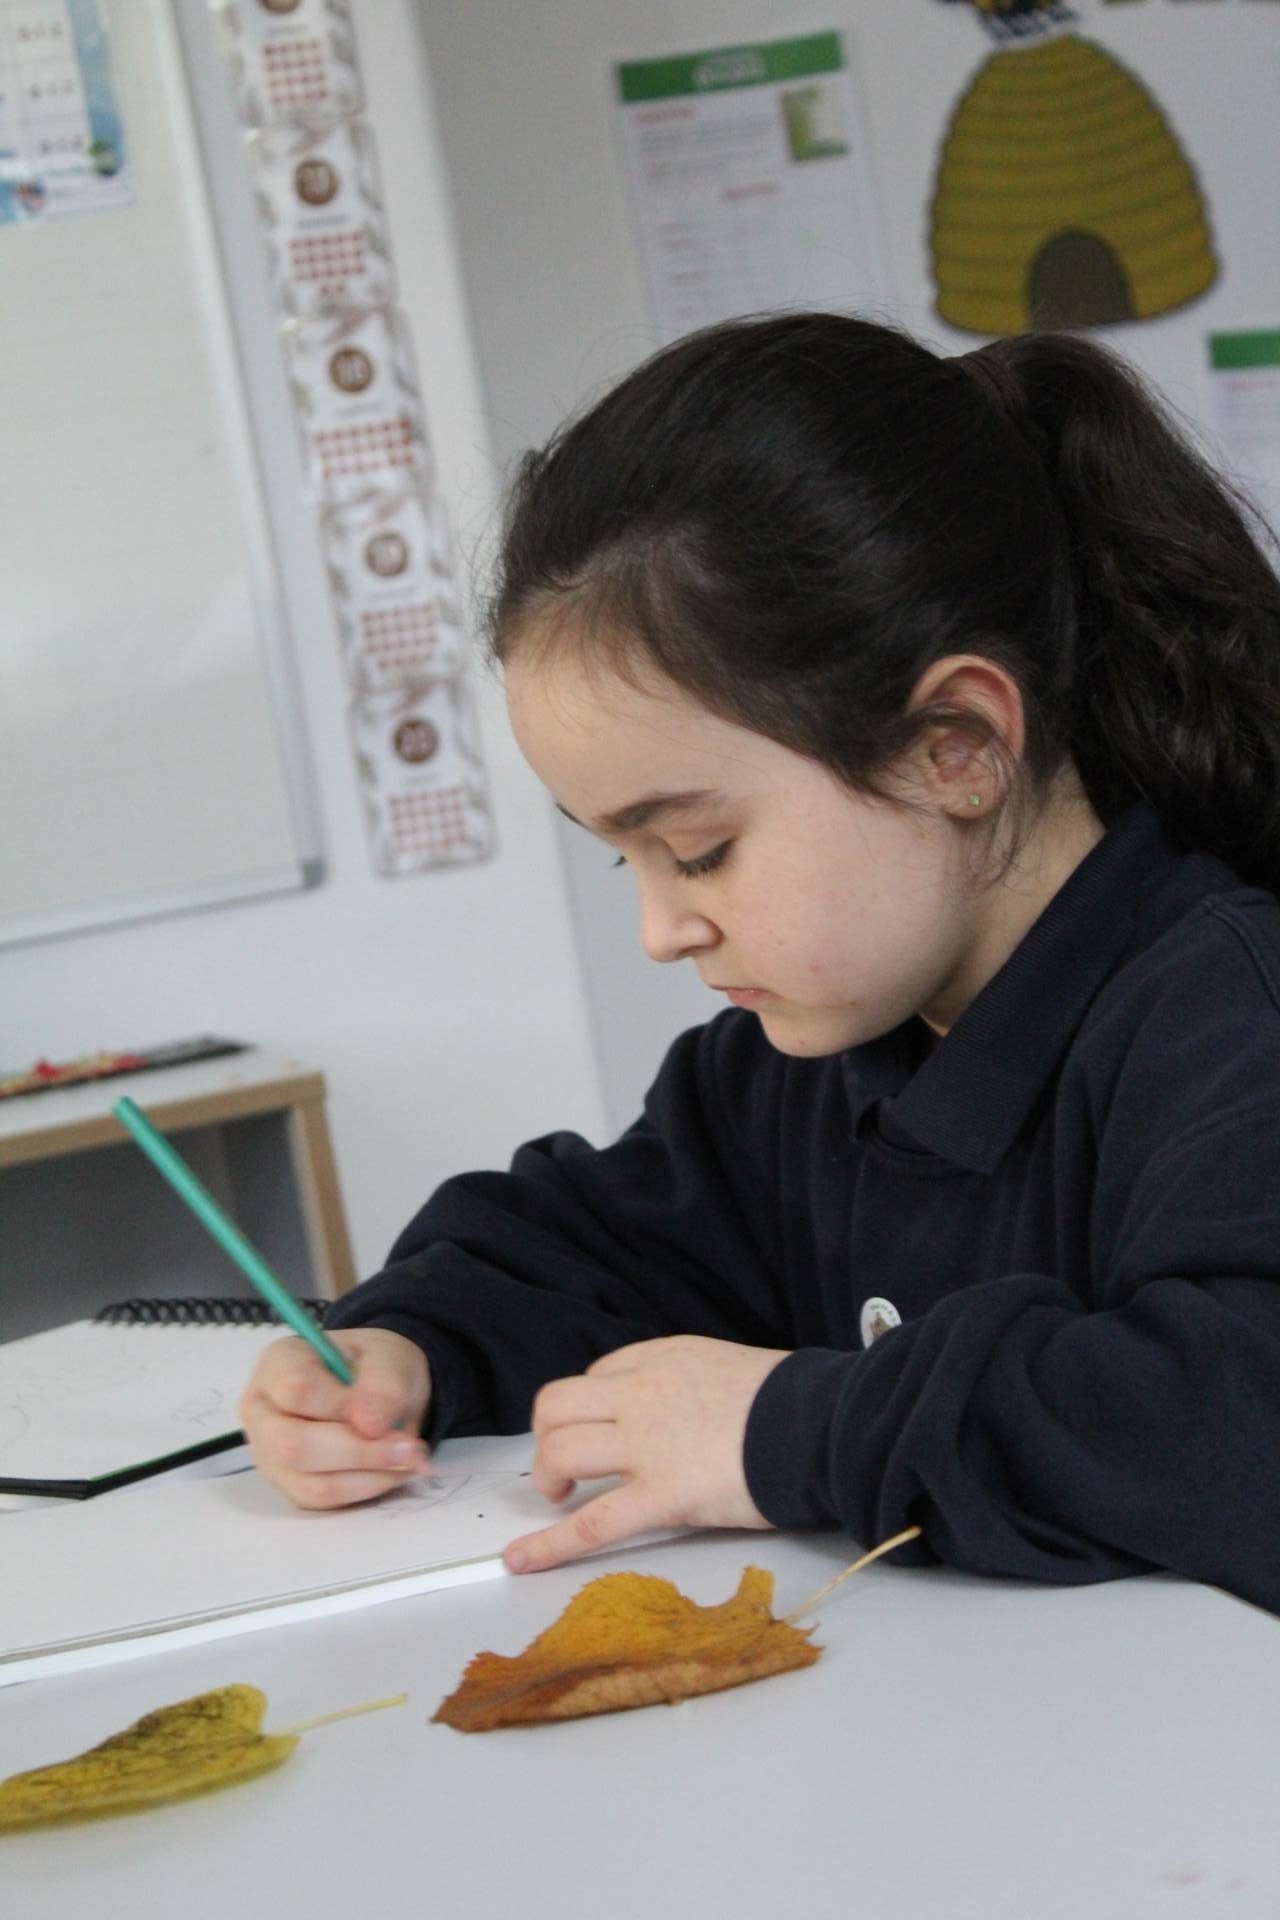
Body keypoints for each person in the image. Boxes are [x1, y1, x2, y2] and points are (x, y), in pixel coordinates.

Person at [241, 313, 1280, 1612]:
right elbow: (579, 1247)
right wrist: (406, 1345)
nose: (661, 928)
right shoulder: (788, 1073)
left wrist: (786, 1431)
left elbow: (1234, 1421)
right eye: (623, 860)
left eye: (699, 849)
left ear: (957, 748)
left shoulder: (1228, 1018)